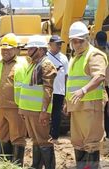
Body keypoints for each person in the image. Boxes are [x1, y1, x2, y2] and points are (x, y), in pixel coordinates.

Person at [66, 21, 108, 169]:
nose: (77, 44)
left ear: (87, 38)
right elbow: (71, 82)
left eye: (80, 41)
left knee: (91, 142)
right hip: (77, 106)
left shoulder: (94, 55)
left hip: (91, 105)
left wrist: (83, 90)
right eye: (74, 41)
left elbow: (100, 76)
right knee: (78, 142)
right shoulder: (75, 58)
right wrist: (67, 102)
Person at [0, 33, 28, 166]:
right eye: (3, 50)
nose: (6, 52)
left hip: (15, 107)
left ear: (16, 50)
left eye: (9, 49)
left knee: (17, 137)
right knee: (2, 135)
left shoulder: (22, 64)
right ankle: (6, 164)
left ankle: (17, 164)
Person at [19, 35, 57, 169]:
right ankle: (36, 165)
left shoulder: (45, 64)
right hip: (29, 110)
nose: (28, 52)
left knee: (44, 141)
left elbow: (48, 90)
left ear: (40, 50)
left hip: (38, 111)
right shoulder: (33, 64)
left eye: (31, 49)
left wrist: (44, 111)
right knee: (36, 141)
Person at [46, 35, 69, 143]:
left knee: (56, 114)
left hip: (59, 91)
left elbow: (66, 76)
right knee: (45, 113)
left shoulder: (64, 58)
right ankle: (45, 135)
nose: (59, 46)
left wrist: (66, 92)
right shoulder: (45, 57)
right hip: (47, 91)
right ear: (50, 44)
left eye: (60, 43)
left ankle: (54, 136)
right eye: (57, 43)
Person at [95, 31, 109, 139]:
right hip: (105, 83)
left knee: (103, 111)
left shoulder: (95, 53)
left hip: (102, 84)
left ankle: (105, 132)